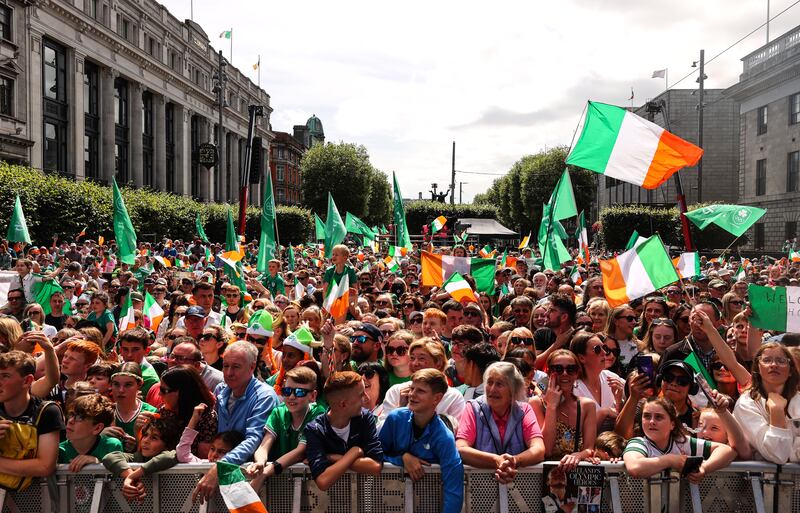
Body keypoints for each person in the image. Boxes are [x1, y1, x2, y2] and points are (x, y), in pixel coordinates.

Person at [192, 341, 278, 504]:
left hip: (253, 481)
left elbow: (254, 439)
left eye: (236, 367)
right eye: (225, 366)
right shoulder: (220, 391)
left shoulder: (265, 396)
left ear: (252, 367)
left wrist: (220, 467)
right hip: (223, 478)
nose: (229, 373)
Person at [379, 369, 464, 513]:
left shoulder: (444, 437)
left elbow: (454, 489)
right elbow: (375, 454)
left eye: (420, 391)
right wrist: (403, 458)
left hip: (427, 503)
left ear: (436, 398)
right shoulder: (395, 418)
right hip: (387, 501)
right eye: (412, 389)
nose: (412, 394)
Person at [456, 362, 544, 483]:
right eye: (489, 382)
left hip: (519, 486)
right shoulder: (473, 408)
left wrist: (515, 460)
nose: (492, 389)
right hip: (480, 486)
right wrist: (496, 460)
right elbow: (461, 448)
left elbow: (538, 449)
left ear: (513, 390)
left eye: (499, 384)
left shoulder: (524, 410)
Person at [246, 366, 326, 489]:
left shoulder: (318, 413)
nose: (291, 397)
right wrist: (260, 463)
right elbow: (264, 446)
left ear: (313, 396)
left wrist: (265, 473)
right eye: (287, 391)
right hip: (278, 481)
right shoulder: (278, 412)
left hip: (310, 484)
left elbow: (300, 452)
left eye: (299, 392)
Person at [623, 397, 735, 483]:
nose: (652, 421)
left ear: (672, 424)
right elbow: (635, 467)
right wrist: (671, 460)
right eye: (647, 416)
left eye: (658, 417)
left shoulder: (682, 442)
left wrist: (704, 468)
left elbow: (727, 451)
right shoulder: (638, 443)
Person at [304, 371, 383, 491]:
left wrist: (332, 457)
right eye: (361, 395)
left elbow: (375, 466)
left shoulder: (365, 418)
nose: (366, 398)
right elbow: (323, 481)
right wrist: (355, 452)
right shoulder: (315, 429)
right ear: (343, 404)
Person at [0, 351, 64, 490]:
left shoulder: (47, 411)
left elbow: (44, 466)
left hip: (35, 500)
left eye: (5, 376)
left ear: (27, 381)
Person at [530, 350, 597, 471]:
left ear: (577, 373)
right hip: (543, 476)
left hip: (574, 473)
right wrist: (551, 407)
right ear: (549, 373)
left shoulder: (587, 405)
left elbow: (589, 449)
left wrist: (578, 455)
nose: (565, 374)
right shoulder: (536, 403)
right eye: (558, 369)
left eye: (571, 369)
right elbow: (546, 450)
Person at [733, 343, 800, 463]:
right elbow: (777, 454)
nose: (774, 365)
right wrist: (777, 411)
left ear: (790, 371)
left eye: (781, 361)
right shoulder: (745, 404)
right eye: (767, 360)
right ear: (758, 368)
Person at [102, 416, 181, 502]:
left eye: (154, 438)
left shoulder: (170, 454)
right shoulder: (138, 457)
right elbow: (109, 457)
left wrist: (132, 476)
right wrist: (134, 481)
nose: (145, 441)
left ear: (167, 445)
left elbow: (170, 456)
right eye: (145, 435)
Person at [157, 366, 218, 459]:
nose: (159, 394)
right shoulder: (164, 412)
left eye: (163, 390)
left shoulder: (206, 417)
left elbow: (203, 457)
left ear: (182, 392)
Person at [570, 332, 624, 432]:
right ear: (581, 358)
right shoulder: (573, 388)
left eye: (604, 348)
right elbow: (575, 433)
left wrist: (619, 402)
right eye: (597, 349)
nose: (604, 353)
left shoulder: (612, 377)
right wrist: (602, 413)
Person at [59, 394, 123, 471]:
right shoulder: (59, 451)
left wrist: (97, 463)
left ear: (97, 428)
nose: (70, 421)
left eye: (80, 418)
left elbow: (116, 480)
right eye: (72, 414)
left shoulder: (111, 446)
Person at [176, 404, 243, 464]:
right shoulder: (204, 464)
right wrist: (193, 420)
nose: (214, 455)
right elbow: (182, 454)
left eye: (222, 452)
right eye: (212, 449)